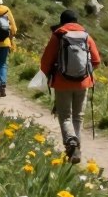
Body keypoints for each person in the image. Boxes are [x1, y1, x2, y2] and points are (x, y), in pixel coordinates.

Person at [40, 9, 101, 164]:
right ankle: (76, 147)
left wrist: (49, 75)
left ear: (62, 22)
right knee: (78, 117)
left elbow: (45, 61)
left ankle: (71, 143)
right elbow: (96, 60)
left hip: (62, 82)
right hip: (83, 82)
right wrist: (86, 72)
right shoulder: (86, 36)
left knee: (65, 115)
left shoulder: (58, 35)